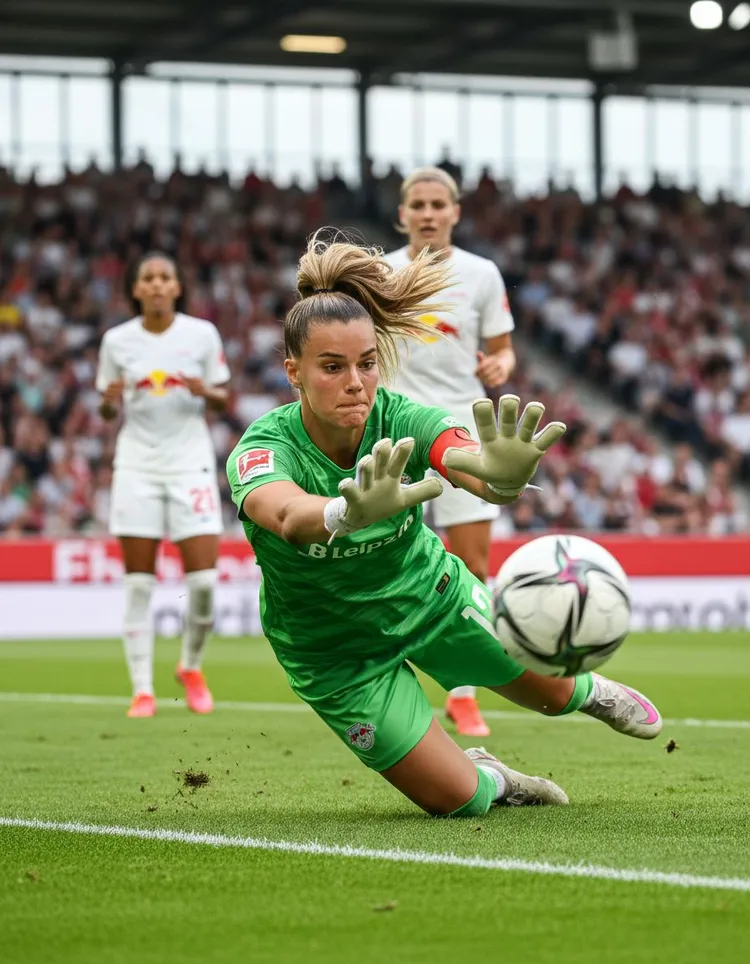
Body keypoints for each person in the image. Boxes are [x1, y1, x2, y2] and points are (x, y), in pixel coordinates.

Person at [226, 236, 662, 819]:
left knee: (554, 692)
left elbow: (464, 461)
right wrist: (344, 512)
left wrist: (499, 478)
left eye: (366, 362)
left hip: (431, 600)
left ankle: (590, 692)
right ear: (294, 373)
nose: (355, 381)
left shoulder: (401, 417)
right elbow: (283, 515)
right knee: (460, 802)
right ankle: (494, 775)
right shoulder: (263, 447)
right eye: (332, 367)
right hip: (331, 651)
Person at [384, 166, 516, 737]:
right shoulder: (379, 273)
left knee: (472, 566)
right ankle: (390, 678)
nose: (429, 213)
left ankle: (464, 696)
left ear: (456, 212)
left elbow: (503, 351)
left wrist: (498, 366)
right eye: (419, 204)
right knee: (386, 562)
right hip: (393, 427)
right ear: (403, 214)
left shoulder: (482, 274)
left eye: (440, 204)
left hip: (462, 425)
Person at [96, 252, 230, 718]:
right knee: (138, 585)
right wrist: (109, 404)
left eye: (164, 278)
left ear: (177, 287)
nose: (156, 285)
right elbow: (108, 409)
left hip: (189, 463)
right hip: (136, 466)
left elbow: (222, 397)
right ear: (136, 289)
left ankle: (190, 667)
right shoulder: (117, 341)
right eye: (147, 278)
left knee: (205, 583)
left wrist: (205, 392)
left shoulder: (201, 334)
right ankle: (142, 689)